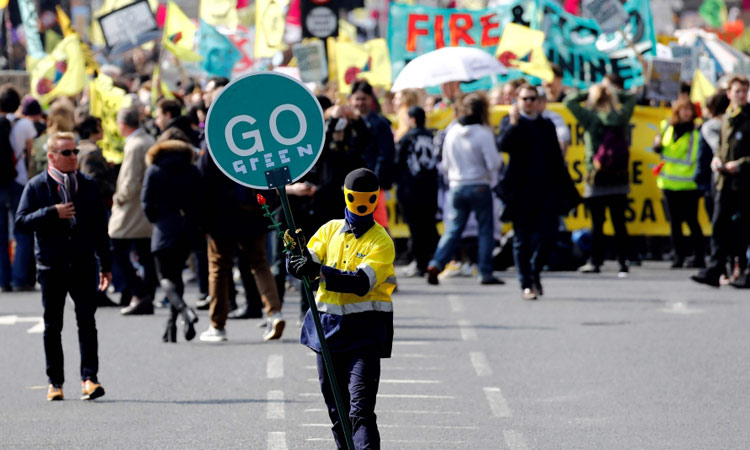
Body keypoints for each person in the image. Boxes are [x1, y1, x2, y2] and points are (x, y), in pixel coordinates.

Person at [287, 168, 396, 450]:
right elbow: (306, 263)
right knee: (337, 410)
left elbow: (361, 283)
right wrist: (295, 260)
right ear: (345, 196)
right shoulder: (328, 230)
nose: (361, 206)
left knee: (360, 411)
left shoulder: (381, 241)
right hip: (328, 335)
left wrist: (319, 271)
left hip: (365, 337)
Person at [15, 132, 111, 401]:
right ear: (52, 156)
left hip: (83, 263)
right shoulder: (37, 186)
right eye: (67, 153)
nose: (73, 157)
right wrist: (51, 212)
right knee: (52, 326)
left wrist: (106, 263)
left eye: (75, 152)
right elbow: (21, 222)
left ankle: (89, 378)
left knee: (87, 323)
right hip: (51, 265)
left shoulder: (88, 185)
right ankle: (55, 382)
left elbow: (100, 227)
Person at [497, 84, 580, 300]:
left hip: (545, 191)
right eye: (525, 99)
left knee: (549, 235)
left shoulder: (546, 124)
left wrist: (566, 190)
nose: (529, 103)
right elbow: (503, 145)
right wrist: (513, 123)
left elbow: (556, 159)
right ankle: (526, 283)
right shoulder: (512, 122)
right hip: (521, 193)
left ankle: (535, 270)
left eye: (533, 98)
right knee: (521, 239)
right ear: (518, 100)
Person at [197, 149, 285, 343]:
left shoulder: (216, 143)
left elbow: (202, 181)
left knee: (219, 268)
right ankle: (274, 312)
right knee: (260, 264)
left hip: (222, 215)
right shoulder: (256, 140)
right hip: (252, 212)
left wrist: (204, 220)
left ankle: (217, 325)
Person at [425, 93, 504, 286]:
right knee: (485, 230)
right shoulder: (483, 133)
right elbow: (493, 163)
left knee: (453, 229)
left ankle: (436, 262)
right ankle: (485, 271)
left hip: (457, 186)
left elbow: (444, 164)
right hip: (479, 184)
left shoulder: (452, 131)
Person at [564, 80, 637, 275]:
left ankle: (596, 261)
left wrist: (591, 92)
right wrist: (613, 93)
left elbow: (569, 101)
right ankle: (623, 262)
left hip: (596, 176)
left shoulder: (590, 117)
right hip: (619, 177)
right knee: (619, 223)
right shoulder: (620, 116)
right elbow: (631, 97)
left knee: (597, 223)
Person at [691, 75, 750, 288]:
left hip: (744, 182)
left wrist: (741, 164)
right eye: (737, 91)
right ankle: (715, 269)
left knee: (742, 228)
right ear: (729, 94)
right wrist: (717, 159)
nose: (741, 95)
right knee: (718, 226)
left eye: (744, 91)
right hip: (724, 182)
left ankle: (743, 269)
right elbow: (723, 148)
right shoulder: (726, 118)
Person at [142, 139, 202, 342]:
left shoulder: (155, 170)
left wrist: (157, 219)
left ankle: (185, 311)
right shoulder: (192, 170)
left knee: (164, 277)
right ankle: (171, 328)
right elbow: (199, 199)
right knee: (177, 276)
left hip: (164, 227)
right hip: (187, 228)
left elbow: (147, 203)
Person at [111, 106, 158, 315]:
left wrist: (119, 198)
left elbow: (129, 181)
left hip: (131, 208)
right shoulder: (147, 140)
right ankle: (147, 293)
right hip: (145, 206)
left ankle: (140, 292)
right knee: (145, 253)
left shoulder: (134, 145)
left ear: (122, 124)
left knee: (117, 248)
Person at [652, 98, 705, 269]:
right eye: (683, 109)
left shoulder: (697, 131)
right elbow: (659, 150)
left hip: (689, 184)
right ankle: (678, 256)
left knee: (691, 221)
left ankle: (698, 256)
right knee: (675, 222)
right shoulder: (666, 127)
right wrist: (656, 144)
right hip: (668, 183)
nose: (687, 113)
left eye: (690, 110)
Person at [0, 84, 37, 292]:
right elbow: (29, 153)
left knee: (1, 233)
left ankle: (2, 280)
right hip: (19, 180)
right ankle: (20, 278)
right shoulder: (24, 126)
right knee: (22, 229)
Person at [395, 106, 439, 278]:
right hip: (430, 190)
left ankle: (421, 264)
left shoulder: (407, 138)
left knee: (416, 229)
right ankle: (433, 261)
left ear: (412, 119)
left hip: (411, 191)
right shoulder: (431, 136)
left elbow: (398, 164)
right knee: (429, 226)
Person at [348, 80, 395, 228]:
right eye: (357, 99)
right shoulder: (346, 123)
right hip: (352, 184)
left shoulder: (381, 123)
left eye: (364, 98)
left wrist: (377, 181)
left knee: (379, 225)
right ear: (351, 99)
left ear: (370, 99)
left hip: (373, 183)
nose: (360, 103)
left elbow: (385, 154)